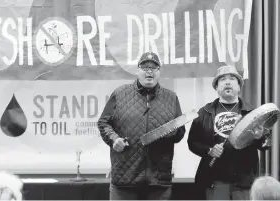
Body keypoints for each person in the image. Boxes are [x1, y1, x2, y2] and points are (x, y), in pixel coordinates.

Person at [98, 52, 186, 200]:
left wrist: (170, 132)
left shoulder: (171, 97)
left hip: (158, 181)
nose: (149, 71)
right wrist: (114, 139)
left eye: (154, 67)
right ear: (137, 70)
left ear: (159, 72)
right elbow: (103, 122)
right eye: (145, 67)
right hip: (124, 180)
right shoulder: (120, 94)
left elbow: (180, 132)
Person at [187, 65, 272, 200]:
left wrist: (259, 137)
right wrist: (209, 150)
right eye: (222, 80)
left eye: (232, 79)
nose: (227, 82)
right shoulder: (204, 112)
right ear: (216, 87)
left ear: (239, 87)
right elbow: (192, 142)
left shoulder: (252, 113)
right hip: (214, 181)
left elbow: (267, 144)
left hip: (244, 182)